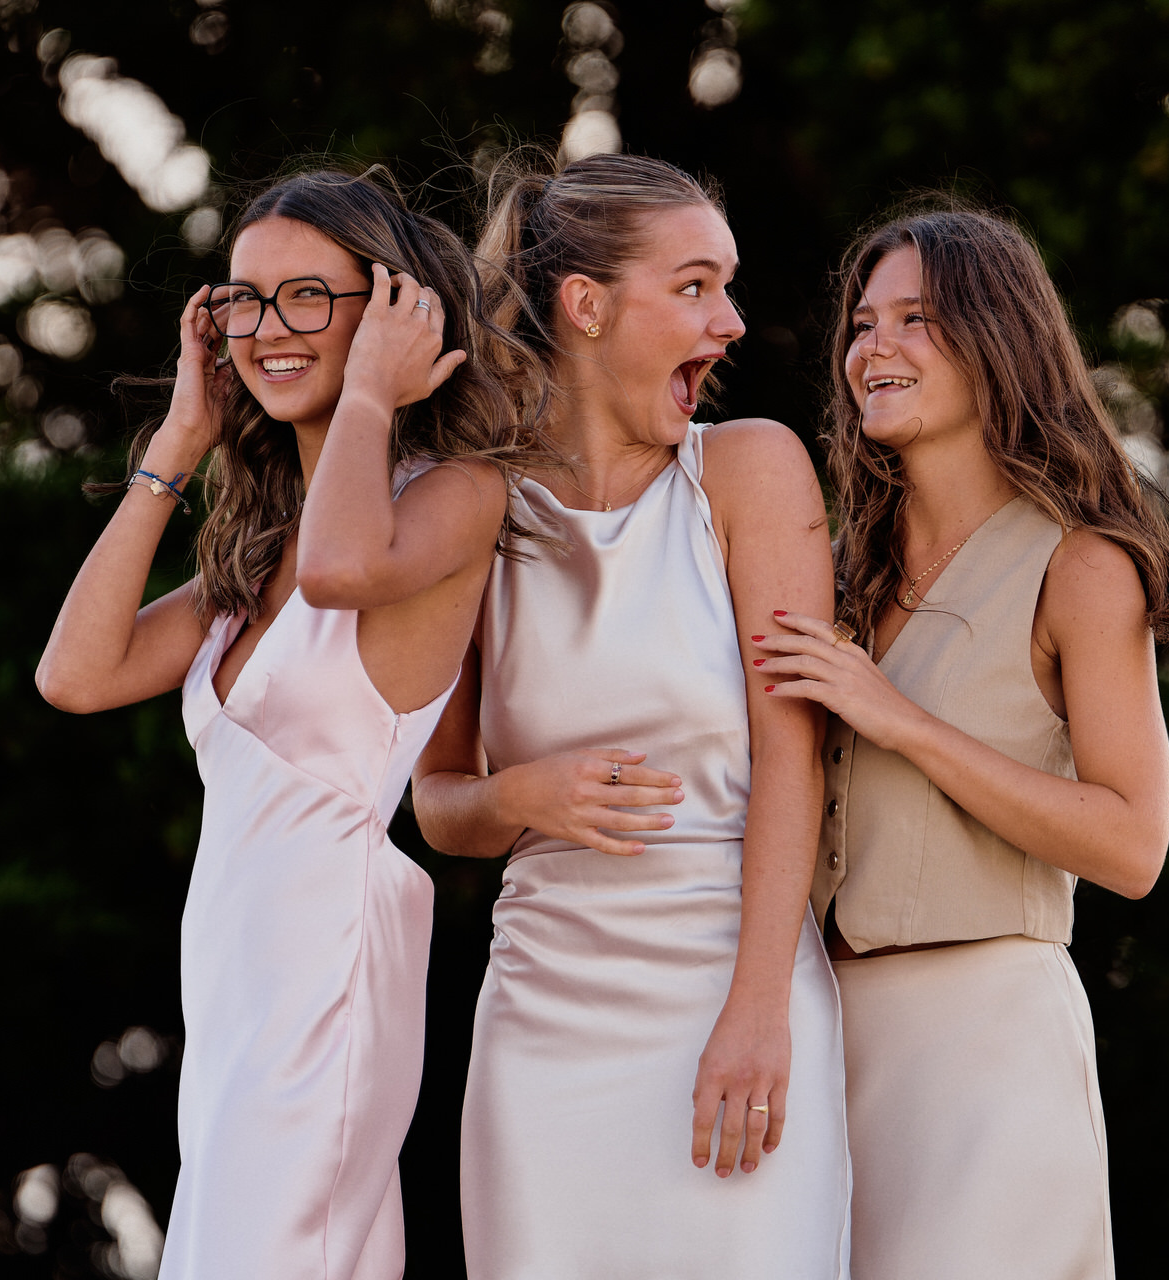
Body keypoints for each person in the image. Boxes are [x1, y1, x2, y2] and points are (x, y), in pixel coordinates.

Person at [34, 168, 527, 1280]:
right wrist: (181, 437)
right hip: (232, 988)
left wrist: (369, 397)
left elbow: (347, 567)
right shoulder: (255, 558)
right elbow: (74, 672)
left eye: (309, 296)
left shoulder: (454, 494)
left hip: (326, 968)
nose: (268, 328)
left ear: (394, 310)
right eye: (245, 301)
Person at [750, 200, 1169, 1279]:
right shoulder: (838, 573)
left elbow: (1132, 842)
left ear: (997, 341)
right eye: (863, 323)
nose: (874, 347)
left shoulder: (1082, 566)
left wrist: (897, 720)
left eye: (915, 319)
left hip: (990, 1046)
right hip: (832, 1046)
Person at [412, 151, 852, 1279]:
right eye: (696, 286)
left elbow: (795, 762)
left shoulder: (750, 473)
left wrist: (761, 1007)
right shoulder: (475, 508)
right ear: (587, 304)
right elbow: (439, 803)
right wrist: (520, 796)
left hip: (735, 984)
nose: (733, 321)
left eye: (730, 286)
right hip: (545, 1022)